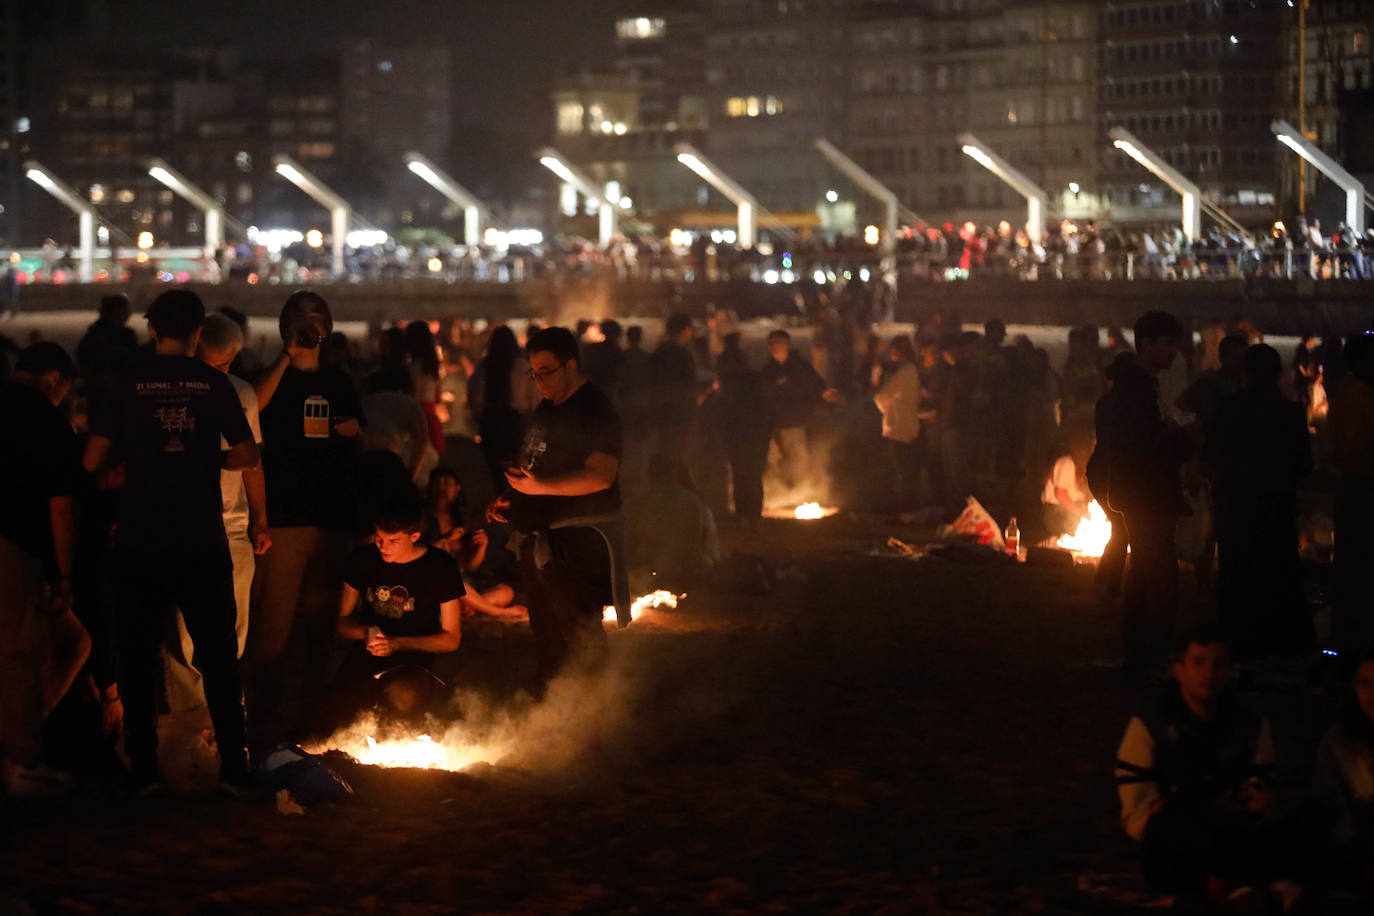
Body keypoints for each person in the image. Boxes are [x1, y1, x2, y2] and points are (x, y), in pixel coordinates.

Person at [83, 290, 259, 793]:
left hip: (140, 538)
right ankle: (235, 768)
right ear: (198, 333)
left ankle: (144, 770)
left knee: (138, 658)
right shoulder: (213, 383)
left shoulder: (126, 384)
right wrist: (208, 462)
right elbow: (246, 455)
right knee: (220, 659)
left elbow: (92, 462)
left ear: (152, 330)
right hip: (201, 539)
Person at [247, 290, 365, 745]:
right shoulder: (273, 377)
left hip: (331, 516)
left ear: (329, 326)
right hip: (283, 516)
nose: (309, 324)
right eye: (299, 318)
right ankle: (265, 716)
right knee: (272, 626)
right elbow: (251, 407)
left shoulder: (339, 382)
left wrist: (357, 431)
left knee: (321, 625)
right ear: (284, 325)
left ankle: (312, 718)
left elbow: (361, 432)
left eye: (316, 317)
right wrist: (286, 356)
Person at [1115, 627, 1302, 910]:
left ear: (1230, 670)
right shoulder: (1148, 727)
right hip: (1175, 850)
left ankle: (1239, 883)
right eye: (1198, 662)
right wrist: (1196, 813)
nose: (1208, 673)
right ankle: (1257, 881)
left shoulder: (1250, 726)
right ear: (1179, 670)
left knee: (1314, 816)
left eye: (1218, 664)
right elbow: (1139, 812)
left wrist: (1251, 805)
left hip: (1234, 832)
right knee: (1176, 819)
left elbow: (1260, 783)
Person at [486, 327, 621, 689]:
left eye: (547, 371)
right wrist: (513, 495)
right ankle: (554, 710)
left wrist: (541, 488)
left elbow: (602, 476)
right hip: (539, 537)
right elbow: (536, 464)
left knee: (579, 632)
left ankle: (595, 710)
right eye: (534, 373)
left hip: (577, 540)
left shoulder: (594, 409)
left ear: (571, 365)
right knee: (546, 633)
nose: (539, 381)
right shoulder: (547, 409)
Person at [164, 314, 273, 713]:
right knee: (183, 634)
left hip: (233, 525)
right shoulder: (170, 394)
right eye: (214, 366)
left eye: (227, 366)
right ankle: (191, 721)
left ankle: (222, 715)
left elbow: (253, 461)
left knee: (233, 630)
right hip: (183, 526)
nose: (220, 374)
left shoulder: (242, 393)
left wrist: (259, 520)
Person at [0, 343, 92, 794]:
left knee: (71, 643)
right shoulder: (46, 420)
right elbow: (61, 507)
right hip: (15, 550)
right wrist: (64, 576)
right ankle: (17, 762)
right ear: (55, 380)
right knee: (20, 658)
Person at [1092, 313, 1193, 677]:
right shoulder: (1138, 392)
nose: (1174, 352)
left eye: (1176, 344)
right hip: (1147, 495)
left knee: (1143, 574)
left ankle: (1138, 657)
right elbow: (1146, 449)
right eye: (1167, 344)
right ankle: (1155, 658)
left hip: (1134, 495)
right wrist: (1187, 437)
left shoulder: (1133, 387)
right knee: (1161, 576)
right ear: (1145, 344)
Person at [1205, 345, 1312, 660]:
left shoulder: (1229, 409)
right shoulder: (1291, 414)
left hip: (1235, 508)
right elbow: (1304, 466)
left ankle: (1237, 644)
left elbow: (1210, 457)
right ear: (1279, 375)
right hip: (1276, 508)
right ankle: (1278, 645)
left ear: (1245, 373)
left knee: (1236, 575)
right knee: (1278, 574)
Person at [322, 500, 464, 733]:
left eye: (393, 541)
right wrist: (367, 632)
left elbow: (451, 639)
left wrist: (397, 643)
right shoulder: (362, 560)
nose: (383, 547)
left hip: (414, 660)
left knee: (401, 700)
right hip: (365, 656)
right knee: (333, 718)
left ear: (414, 536)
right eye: (379, 538)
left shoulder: (440, 567)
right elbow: (342, 622)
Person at [1314, 652, 1374, 892]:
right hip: (1355, 855)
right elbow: (1328, 808)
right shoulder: (1339, 743)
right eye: (1365, 684)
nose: (1372, 695)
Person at [1330, 333, 1374, 649]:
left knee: (1350, 566)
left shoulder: (1344, 391)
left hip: (1351, 486)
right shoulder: (1361, 395)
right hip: (1363, 487)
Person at [761, 328, 838, 492]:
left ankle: (798, 493)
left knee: (798, 460)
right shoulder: (767, 371)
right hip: (774, 426)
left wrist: (824, 394)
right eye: (771, 343)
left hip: (795, 423)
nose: (774, 346)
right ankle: (777, 494)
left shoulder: (799, 366)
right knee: (774, 462)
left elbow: (815, 384)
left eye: (778, 343)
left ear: (787, 345)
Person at [872, 336, 922, 510]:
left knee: (902, 471)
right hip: (904, 426)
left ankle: (904, 508)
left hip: (899, 426)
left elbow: (882, 395)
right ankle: (907, 507)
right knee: (905, 470)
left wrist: (884, 404)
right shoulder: (909, 371)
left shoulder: (906, 371)